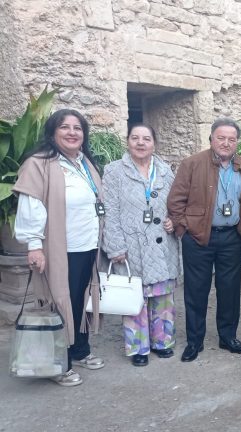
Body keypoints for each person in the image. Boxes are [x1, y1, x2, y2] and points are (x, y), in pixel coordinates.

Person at [14, 109, 105, 386]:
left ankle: (78, 350)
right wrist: (34, 245)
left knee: (79, 301)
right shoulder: (39, 164)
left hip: (86, 245)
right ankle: (58, 362)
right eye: (65, 127)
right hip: (58, 249)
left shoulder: (84, 163)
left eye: (77, 128)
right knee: (58, 302)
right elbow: (32, 206)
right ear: (53, 132)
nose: (72, 132)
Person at [167, 118, 241, 362]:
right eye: (221, 138)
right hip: (198, 237)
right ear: (211, 139)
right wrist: (183, 230)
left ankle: (227, 336)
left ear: (237, 142)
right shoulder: (192, 164)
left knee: (229, 290)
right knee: (196, 291)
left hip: (232, 238)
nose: (226, 143)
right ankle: (194, 341)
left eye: (231, 139)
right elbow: (176, 200)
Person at [102, 123, 180, 367]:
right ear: (128, 141)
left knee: (163, 295)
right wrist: (114, 246)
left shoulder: (166, 171)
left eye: (146, 138)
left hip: (162, 243)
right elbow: (110, 212)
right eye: (135, 138)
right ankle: (138, 347)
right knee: (136, 297)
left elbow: (177, 204)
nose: (140, 142)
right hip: (131, 244)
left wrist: (174, 221)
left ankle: (162, 342)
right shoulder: (114, 171)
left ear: (154, 143)